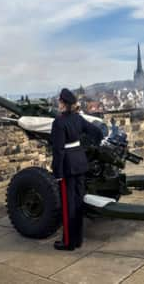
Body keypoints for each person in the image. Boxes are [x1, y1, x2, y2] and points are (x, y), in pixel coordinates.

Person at [51, 88, 103, 251]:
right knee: (78, 202)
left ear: (64, 104)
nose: (58, 104)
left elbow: (58, 150)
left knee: (68, 205)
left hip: (67, 167)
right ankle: (78, 239)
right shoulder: (78, 118)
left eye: (60, 102)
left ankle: (68, 242)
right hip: (80, 163)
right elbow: (97, 131)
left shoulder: (59, 122)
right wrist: (95, 143)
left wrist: (58, 172)